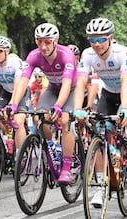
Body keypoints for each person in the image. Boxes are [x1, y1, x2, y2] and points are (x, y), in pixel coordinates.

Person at [73, 17, 127, 207]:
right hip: (108, 93)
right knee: (98, 130)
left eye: (100, 39)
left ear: (110, 38)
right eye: (92, 40)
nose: (96, 44)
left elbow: (126, 82)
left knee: (126, 115)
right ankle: (100, 187)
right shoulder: (88, 55)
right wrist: (77, 109)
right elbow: (80, 84)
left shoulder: (123, 53)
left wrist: (126, 110)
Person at [10, 23, 78, 183]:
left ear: (56, 41)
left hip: (70, 89)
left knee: (65, 120)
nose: (43, 46)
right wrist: (14, 104)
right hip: (53, 88)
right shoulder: (34, 56)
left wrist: (59, 106)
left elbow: (67, 85)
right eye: (39, 41)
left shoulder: (66, 55)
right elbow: (23, 81)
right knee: (40, 117)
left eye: (47, 41)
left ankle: (67, 168)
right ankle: (51, 147)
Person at [0, 36, 29, 157]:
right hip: (5, 92)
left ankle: (20, 154)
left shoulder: (14, 62)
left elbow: (18, 86)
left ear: (7, 51)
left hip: (20, 92)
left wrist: (12, 104)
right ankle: (3, 141)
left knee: (18, 121)